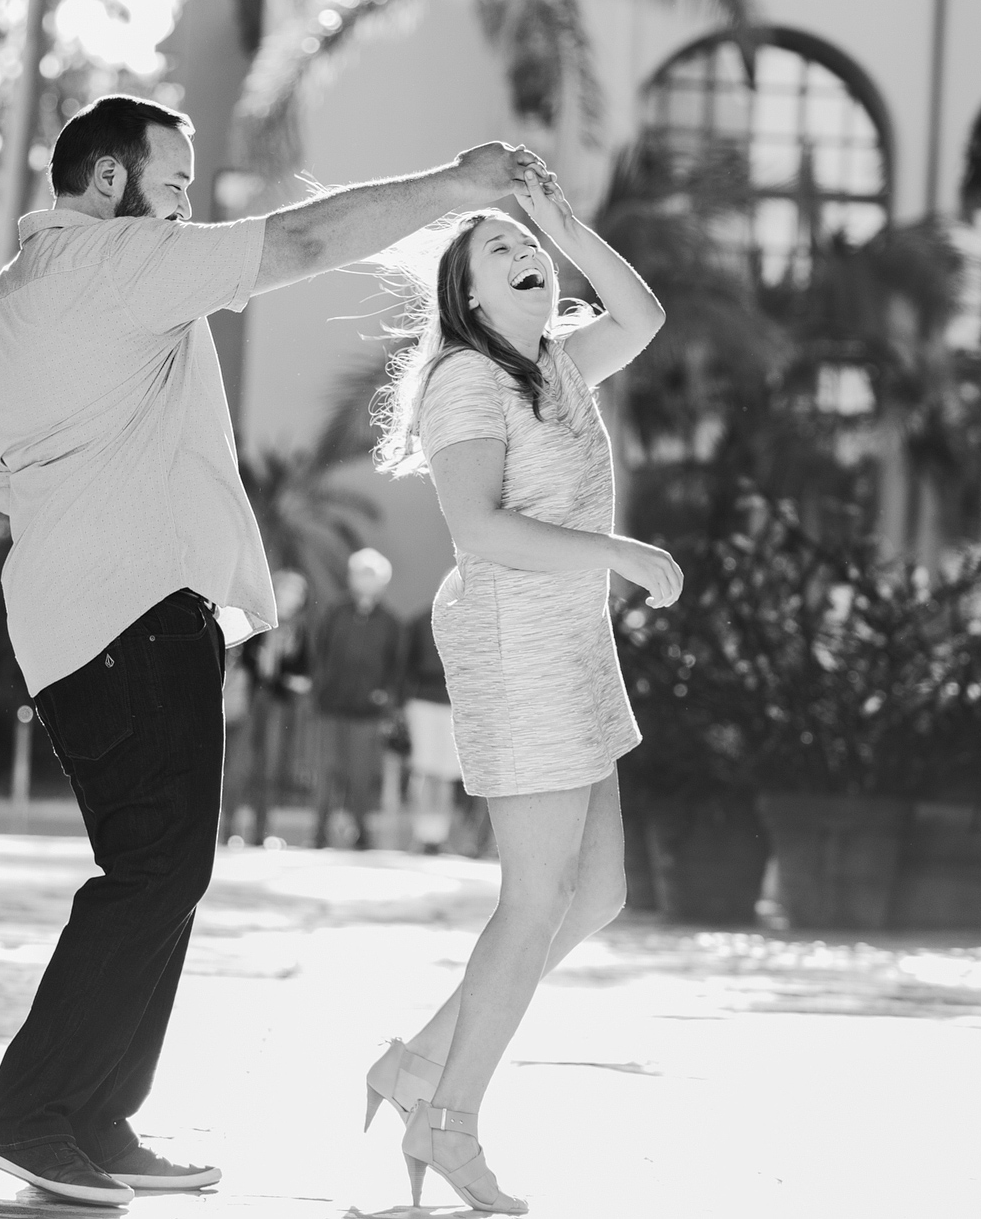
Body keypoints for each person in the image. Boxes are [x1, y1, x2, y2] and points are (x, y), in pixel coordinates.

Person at [0, 91, 549, 1207]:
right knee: (152, 870)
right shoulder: (119, 263)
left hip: (73, 617)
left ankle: (94, 1115)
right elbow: (307, 241)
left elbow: (6, 474)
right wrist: (456, 188)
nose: (184, 211)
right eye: (172, 186)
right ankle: (32, 1116)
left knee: (165, 867)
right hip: (130, 616)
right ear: (103, 185)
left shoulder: (6, 304)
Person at [361, 172, 681, 1214]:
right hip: (515, 645)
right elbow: (479, 529)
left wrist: (554, 218)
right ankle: (446, 1120)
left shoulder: (555, 363)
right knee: (533, 897)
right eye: (496, 248)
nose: (524, 252)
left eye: (527, 243)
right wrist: (618, 550)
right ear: (467, 296)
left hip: (571, 646)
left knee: (592, 895)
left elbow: (641, 313)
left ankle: (416, 1064)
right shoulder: (467, 379)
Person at [307, 547, 405, 850]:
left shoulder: (390, 621)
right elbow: (319, 653)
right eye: (360, 574)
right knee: (326, 773)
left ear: (382, 582)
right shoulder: (334, 612)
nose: (364, 580)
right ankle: (319, 835)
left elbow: (396, 666)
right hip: (331, 706)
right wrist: (320, 687)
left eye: (371, 575)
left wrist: (385, 698)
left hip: (368, 713)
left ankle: (362, 835)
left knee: (361, 776)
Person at [223, 569, 310, 846]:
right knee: (239, 765)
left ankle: (262, 832)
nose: (291, 598)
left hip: (277, 704)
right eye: (287, 591)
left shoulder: (298, 630)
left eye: (297, 594)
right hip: (250, 700)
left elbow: (303, 671)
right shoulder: (256, 619)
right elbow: (242, 656)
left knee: (270, 768)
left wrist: (287, 677)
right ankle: (228, 829)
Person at [401, 601, 460, 853]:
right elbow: (407, 661)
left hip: (456, 704)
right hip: (423, 701)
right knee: (425, 769)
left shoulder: (475, 615)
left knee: (447, 772)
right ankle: (421, 834)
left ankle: (439, 836)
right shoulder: (421, 620)